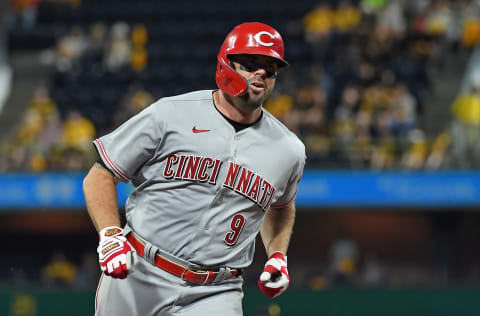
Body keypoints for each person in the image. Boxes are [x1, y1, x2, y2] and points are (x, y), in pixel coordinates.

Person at [83, 22, 306, 316]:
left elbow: (280, 206)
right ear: (226, 64)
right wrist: (111, 235)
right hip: (141, 272)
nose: (261, 72)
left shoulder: (288, 149)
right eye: (251, 63)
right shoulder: (170, 113)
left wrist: (277, 255)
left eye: (270, 66)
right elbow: (100, 174)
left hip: (216, 290)